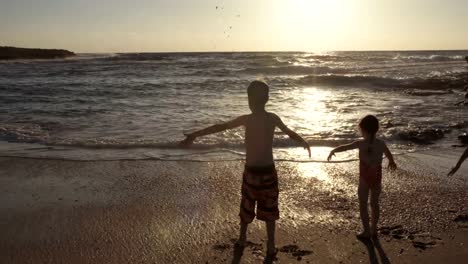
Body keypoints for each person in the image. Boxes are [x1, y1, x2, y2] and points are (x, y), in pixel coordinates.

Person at [180, 80, 311, 260]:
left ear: (249, 99)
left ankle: (245, 239)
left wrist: (195, 135)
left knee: (248, 206)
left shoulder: (249, 119)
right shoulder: (271, 117)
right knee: (267, 208)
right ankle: (268, 244)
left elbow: (220, 127)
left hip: (254, 172)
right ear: (267, 98)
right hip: (266, 172)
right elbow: (290, 133)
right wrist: (303, 142)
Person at [327, 115, 397, 239]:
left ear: (364, 130)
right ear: (376, 129)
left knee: (363, 203)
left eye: (361, 130)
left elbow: (346, 147)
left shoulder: (361, 143)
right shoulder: (381, 143)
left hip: (364, 177)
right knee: (374, 204)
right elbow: (388, 154)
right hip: (376, 176)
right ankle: (374, 229)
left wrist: (334, 150)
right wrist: (391, 162)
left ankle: (366, 231)